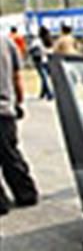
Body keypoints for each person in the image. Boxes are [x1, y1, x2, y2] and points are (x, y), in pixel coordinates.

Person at [0, 31, 39, 216]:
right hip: (5, 109)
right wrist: (19, 102)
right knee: (10, 154)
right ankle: (26, 194)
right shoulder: (7, 42)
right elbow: (17, 76)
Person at [28, 26, 53, 101]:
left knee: (44, 77)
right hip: (48, 60)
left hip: (39, 60)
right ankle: (42, 93)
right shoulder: (49, 40)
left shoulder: (37, 40)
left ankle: (49, 93)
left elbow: (30, 48)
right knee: (45, 77)